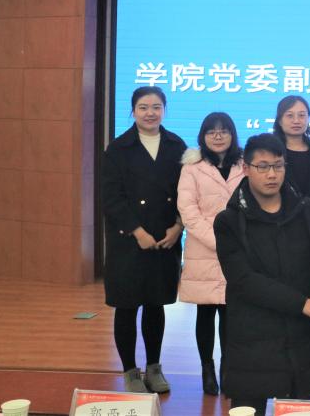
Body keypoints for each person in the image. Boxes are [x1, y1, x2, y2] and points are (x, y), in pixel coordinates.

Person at [215, 133, 310, 416]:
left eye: (278, 166)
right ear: (246, 168)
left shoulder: (308, 211)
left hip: (301, 336)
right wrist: (301, 303)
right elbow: (243, 280)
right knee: (248, 409)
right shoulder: (229, 220)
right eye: (263, 166)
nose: (272, 174)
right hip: (252, 335)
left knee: (298, 409)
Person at [101, 86, 186, 393]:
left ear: (164, 109)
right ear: (133, 111)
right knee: (126, 307)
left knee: (155, 305)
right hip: (128, 241)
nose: (150, 113)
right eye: (143, 107)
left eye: (156, 107)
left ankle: (153, 367)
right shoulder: (118, 148)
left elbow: (186, 193)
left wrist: (178, 227)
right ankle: (130, 372)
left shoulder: (177, 145)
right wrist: (137, 232)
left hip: (165, 239)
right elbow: (112, 198)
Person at [176, 112, 245, 396]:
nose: (218, 136)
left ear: (232, 134)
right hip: (203, 249)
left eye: (224, 131)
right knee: (205, 312)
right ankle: (207, 369)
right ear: (203, 136)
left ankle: (229, 369)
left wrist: (236, 239)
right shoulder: (192, 168)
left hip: (240, 249)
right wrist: (217, 240)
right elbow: (188, 210)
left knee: (231, 313)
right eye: (211, 131)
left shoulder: (245, 164)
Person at [273, 95, 310, 207]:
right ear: (279, 120)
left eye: (302, 115)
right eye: (290, 115)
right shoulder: (271, 152)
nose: (296, 121)